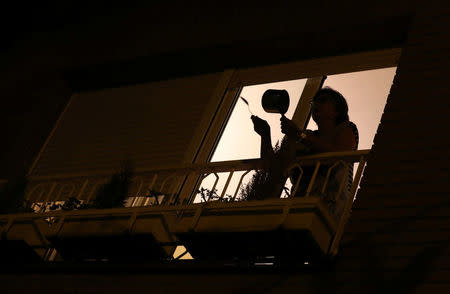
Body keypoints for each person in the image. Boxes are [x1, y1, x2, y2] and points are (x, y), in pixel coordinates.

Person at [251, 87, 359, 220]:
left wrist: (299, 135)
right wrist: (265, 135)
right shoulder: (305, 136)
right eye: (313, 102)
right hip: (298, 207)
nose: (315, 104)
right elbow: (274, 168)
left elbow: (340, 152)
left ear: (337, 110)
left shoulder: (347, 128)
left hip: (332, 210)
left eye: (323, 100)